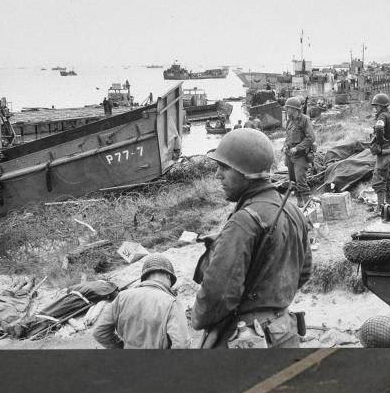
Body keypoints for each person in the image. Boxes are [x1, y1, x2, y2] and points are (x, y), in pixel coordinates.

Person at [191, 129, 312, 348]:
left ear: (246, 173)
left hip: (247, 339)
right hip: (284, 332)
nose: (218, 175)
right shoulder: (294, 212)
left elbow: (218, 294)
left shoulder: (243, 222)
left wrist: (198, 318)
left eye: (225, 168)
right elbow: (303, 273)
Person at [92, 253, 190, 349]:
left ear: (145, 277)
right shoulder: (172, 303)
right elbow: (182, 344)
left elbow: (99, 332)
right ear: (168, 276)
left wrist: (120, 347)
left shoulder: (121, 297)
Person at [282, 96, 315, 208]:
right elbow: (288, 136)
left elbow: (311, 138)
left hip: (300, 155)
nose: (286, 110)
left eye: (288, 108)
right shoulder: (289, 122)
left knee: (301, 180)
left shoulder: (305, 120)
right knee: (293, 181)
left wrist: (297, 148)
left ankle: (308, 206)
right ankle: (300, 203)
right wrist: (285, 146)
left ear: (295, 109)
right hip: (290, 155)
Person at [369, 93, 390, 211]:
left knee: (379, 179)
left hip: (385, 152)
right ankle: (388, 205)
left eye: (376, 106)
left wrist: (380, 141)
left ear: (382, 106)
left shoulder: (382, 116)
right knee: (389, 179)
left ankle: (381, 208)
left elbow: (379, 128)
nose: (375, 108)